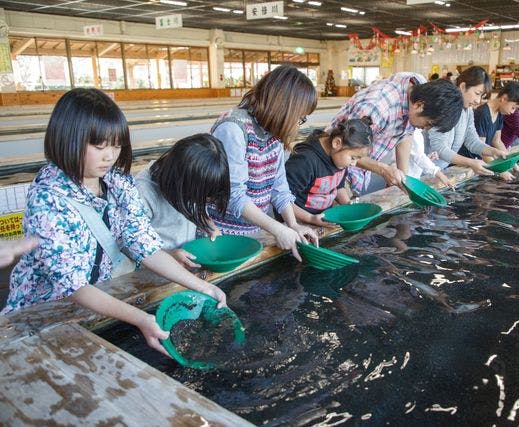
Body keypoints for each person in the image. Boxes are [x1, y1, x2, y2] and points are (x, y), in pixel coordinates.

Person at [1, 88, 227, 357]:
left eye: (117, 145)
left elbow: (144, 244)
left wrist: (204, 286)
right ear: (68, 138)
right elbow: (76, 288)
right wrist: (140, 318)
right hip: (40, 319)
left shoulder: (118, 183)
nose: (110, 156)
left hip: (95, 307)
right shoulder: (48, 200)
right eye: (99, 146)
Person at [210, 65, 318, 262]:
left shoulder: (272, 129)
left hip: (253, 231)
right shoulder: (233, 128)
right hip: (221, 237)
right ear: (285, 107)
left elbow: (279, 186)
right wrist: (277, 228)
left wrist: (292, 224)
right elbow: (233, 196)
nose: (298, 123)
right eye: (300, 116)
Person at [328, 74, 463, 195]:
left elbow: (406, 134)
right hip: (333, 166)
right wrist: (383, 169)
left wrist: (404, 181)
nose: (426, 129)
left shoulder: (418, 86)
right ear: (419, 105)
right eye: (428, 124)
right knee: (332, 216)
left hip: (357, 166)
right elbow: (346, 149)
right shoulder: (377, 108)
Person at [135, 133, 230, 268]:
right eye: (197, 197)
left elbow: (196, 209)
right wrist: (170, 255)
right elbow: (134, 246)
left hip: (183, 262)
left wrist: (209, 226)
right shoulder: (142, 193)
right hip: (155, 271)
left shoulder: (189, 180)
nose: (199, 201)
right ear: (180, 183)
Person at [285, 117, 373, 226]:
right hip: (296, 222)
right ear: (337, 143)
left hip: (321, 219)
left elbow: (338, 186)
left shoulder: (339, 159)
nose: (354, 164)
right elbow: (283, 200)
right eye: (353, 158)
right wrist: (310, 218)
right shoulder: (305, 161)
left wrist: (348, 204)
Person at [425, 66, 507, 176]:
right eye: (477, 93)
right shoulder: (444, 106)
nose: (478, 100)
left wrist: (493, 151)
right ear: (463, 86)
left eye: (481, 96)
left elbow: (472, 140)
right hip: (425, 169)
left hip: (441, 169)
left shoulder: (468, 110)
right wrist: (470, 162)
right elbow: (439, 148)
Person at [471, 81, 519, 181]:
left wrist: (512, 164)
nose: (512, 112)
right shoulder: (483, 113)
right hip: (472, 158)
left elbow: (497, 141)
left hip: (484, 157)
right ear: (504, 98)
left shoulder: (500, 113)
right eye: (513, 107)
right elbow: (481, 149)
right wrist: (501, 170)